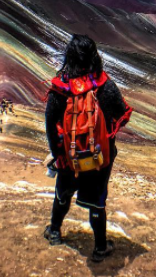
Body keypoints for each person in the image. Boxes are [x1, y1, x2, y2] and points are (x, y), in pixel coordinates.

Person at [44, 34, 132, 262]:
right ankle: (100, 248)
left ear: (69, 56)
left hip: (68, 159)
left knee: (61, 195)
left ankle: (54, 232)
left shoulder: (60, 89)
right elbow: (121, 114)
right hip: (99, 158)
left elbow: (51, 127)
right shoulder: (105, 85)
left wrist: (58, 156)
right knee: (97, 201)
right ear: (94, 57)